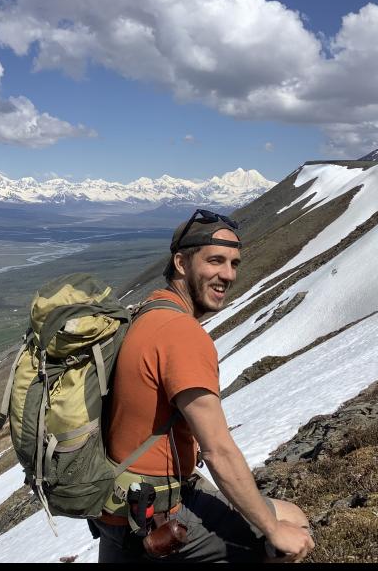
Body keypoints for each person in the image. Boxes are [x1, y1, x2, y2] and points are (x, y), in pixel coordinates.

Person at [89, 208, 315, 563]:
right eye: (215, 261)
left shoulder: (148, 310)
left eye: (234, 263)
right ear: (181, 262)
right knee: (292, 531)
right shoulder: (181, 334)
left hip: (115, 504)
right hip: (158, 512)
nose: (228, 274)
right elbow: (218, 451)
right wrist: (273, 530)